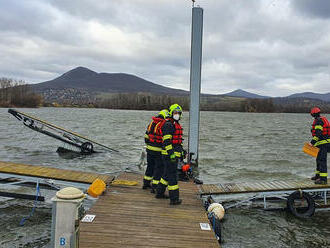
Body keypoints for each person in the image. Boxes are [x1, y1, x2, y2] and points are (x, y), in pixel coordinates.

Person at [156, 103, 184, 205]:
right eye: (175, 113)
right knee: (173, 177)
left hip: (173, 154)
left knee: (167, 174)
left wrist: (181, 151)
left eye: (178, 113)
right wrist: (171, 153)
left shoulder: (175, 124)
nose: (177, 114)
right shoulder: (168, 125)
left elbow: (177, 142)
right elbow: (166, 141)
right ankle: (174, 199)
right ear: (171, 113)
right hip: (168, 155)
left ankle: (159, 193)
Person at [143, 109, 169, 189]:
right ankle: (155, 186)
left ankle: (146, 184)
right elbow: (165, 139)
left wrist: (149, 145)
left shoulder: (151, 123)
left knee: (150, 166)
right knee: (159, 169)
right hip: (159, 151)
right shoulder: (164, 125)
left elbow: (146, 137)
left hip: (149, 149)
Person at [310, 107, 330, 185]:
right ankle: (318, 176)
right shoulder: (322, 119)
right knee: (318, 160)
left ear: (312, 114)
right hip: (323, 143)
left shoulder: (318, 121)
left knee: (322, 161)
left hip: (323, 144)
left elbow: (318, 133)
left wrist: (312, 143)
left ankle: (323, 180)